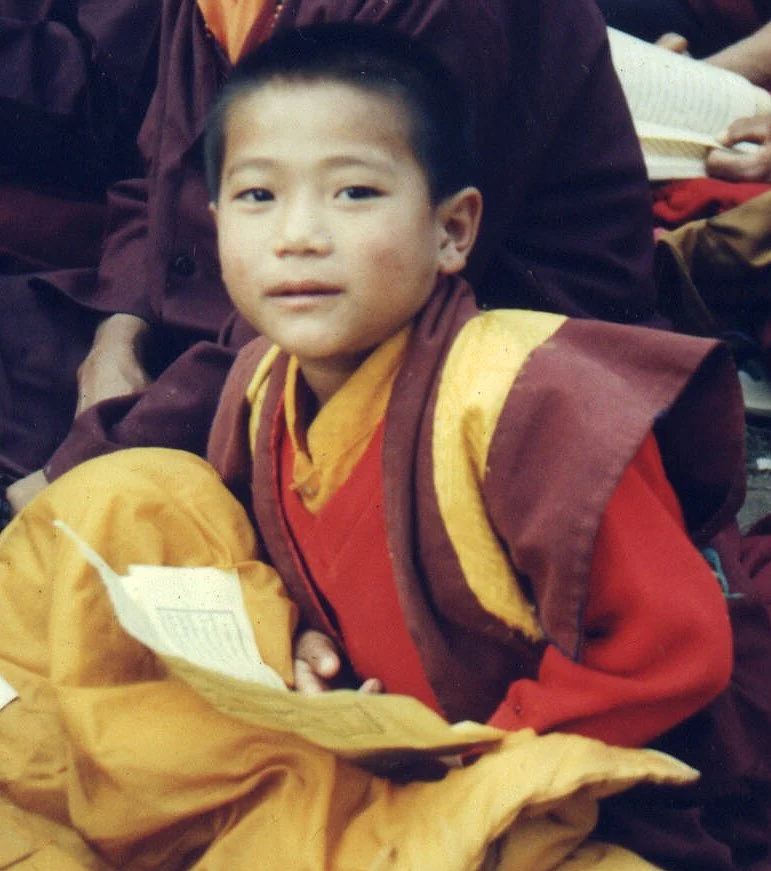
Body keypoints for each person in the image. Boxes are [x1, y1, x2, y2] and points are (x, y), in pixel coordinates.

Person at [200, 24, 770, 869]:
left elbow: (671, 645)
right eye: (257, 197)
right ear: (211, 223)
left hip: (585, 770)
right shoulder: (259, 385)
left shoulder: (526, 397)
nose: (299, 236)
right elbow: (267, 560)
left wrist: (476, 761)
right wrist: (288, 637)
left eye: (354, 193)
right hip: (402, 749)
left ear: (452, 230)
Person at [4, 0, 661, 519]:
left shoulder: (447, 9)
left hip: (442, 358)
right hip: (238, 310)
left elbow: (356, 300)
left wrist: (92, 460)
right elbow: (164, 171)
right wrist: (119, 331)